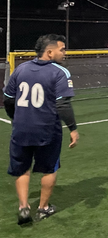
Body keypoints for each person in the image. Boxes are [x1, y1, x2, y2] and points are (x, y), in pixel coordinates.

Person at [3, 34, 79, 225]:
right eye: (62, 49)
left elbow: (8, 100)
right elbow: (63, 105)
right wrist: (73, 128)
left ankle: (23, 207)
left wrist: (16, 118)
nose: (65, 53)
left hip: (21, 128)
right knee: (49, 167)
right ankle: (43, 208)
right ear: (50, 51)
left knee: (22, 167)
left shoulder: (20, 69)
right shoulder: (60, 72)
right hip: (47, 130)